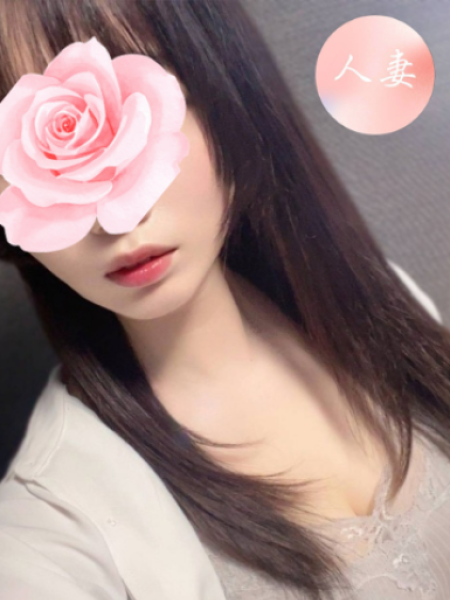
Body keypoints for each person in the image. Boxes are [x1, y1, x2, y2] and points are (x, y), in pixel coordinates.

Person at [0, 1, 449, 599]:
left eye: (141, 114)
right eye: (38, 160)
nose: (118, 216)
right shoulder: (48, 536)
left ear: (224, 95)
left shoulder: (385, 309)